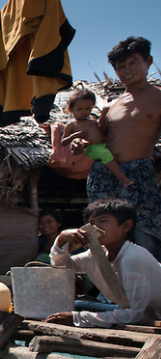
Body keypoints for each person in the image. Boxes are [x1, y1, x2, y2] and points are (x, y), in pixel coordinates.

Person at [72, 37, 161, 261]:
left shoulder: (158, 98)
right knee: (101, 234)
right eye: (121, 66)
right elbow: (98, 141)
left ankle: (151, 292)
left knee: (145, 235)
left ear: (148, 61)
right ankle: (106, 292)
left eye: (132, 62)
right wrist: (78, 145)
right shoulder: (110, 106)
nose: (126, 70)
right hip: (104, 173)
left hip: (138, 174)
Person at [45, 198, 161, 328]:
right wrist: (61, 240)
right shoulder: (97, 255)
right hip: (136, 312)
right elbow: (62, 267)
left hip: (150, 316)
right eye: (91, 223)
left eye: (103, 221)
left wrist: (77, 318)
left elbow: (132, 315)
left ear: (126, 226)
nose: (95, 228)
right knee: (76, 305)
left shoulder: (133, 257)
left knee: (77, 310)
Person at [61, 88, 133, 187]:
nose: (84, 112)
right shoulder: (72, 125)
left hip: (102, 146)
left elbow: (101, 133)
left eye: (87, 109)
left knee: (116, 152)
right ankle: (122, 178)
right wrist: (75, 135)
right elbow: (63, 142)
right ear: (71, 109)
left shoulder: (93, 121)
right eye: (80, 109)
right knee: (104, 154)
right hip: (92, 149)